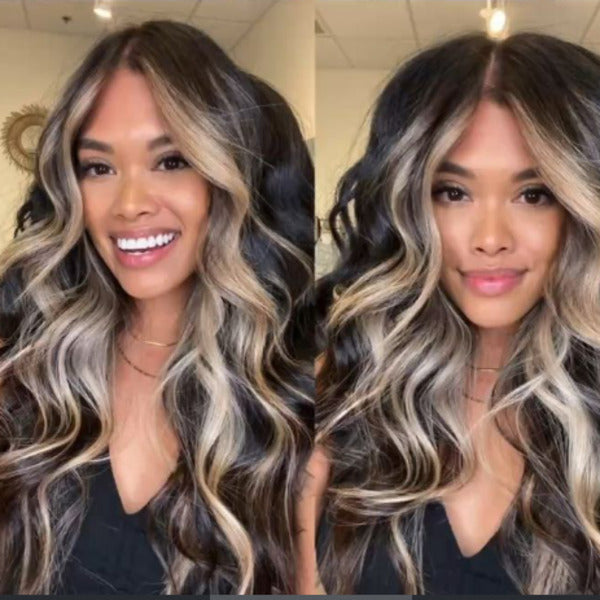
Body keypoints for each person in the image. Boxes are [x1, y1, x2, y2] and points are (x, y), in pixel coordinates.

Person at [0, 20, 314, 594]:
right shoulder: (25, 370)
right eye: (98, 167)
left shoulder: (295, 399)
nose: (129, 204)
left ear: (226, 174)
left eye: (171, 160)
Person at [300, 31, 600, 594]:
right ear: (409, 204)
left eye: (534, 194)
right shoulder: (342, 390)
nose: (490, 238)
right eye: (453, 192)